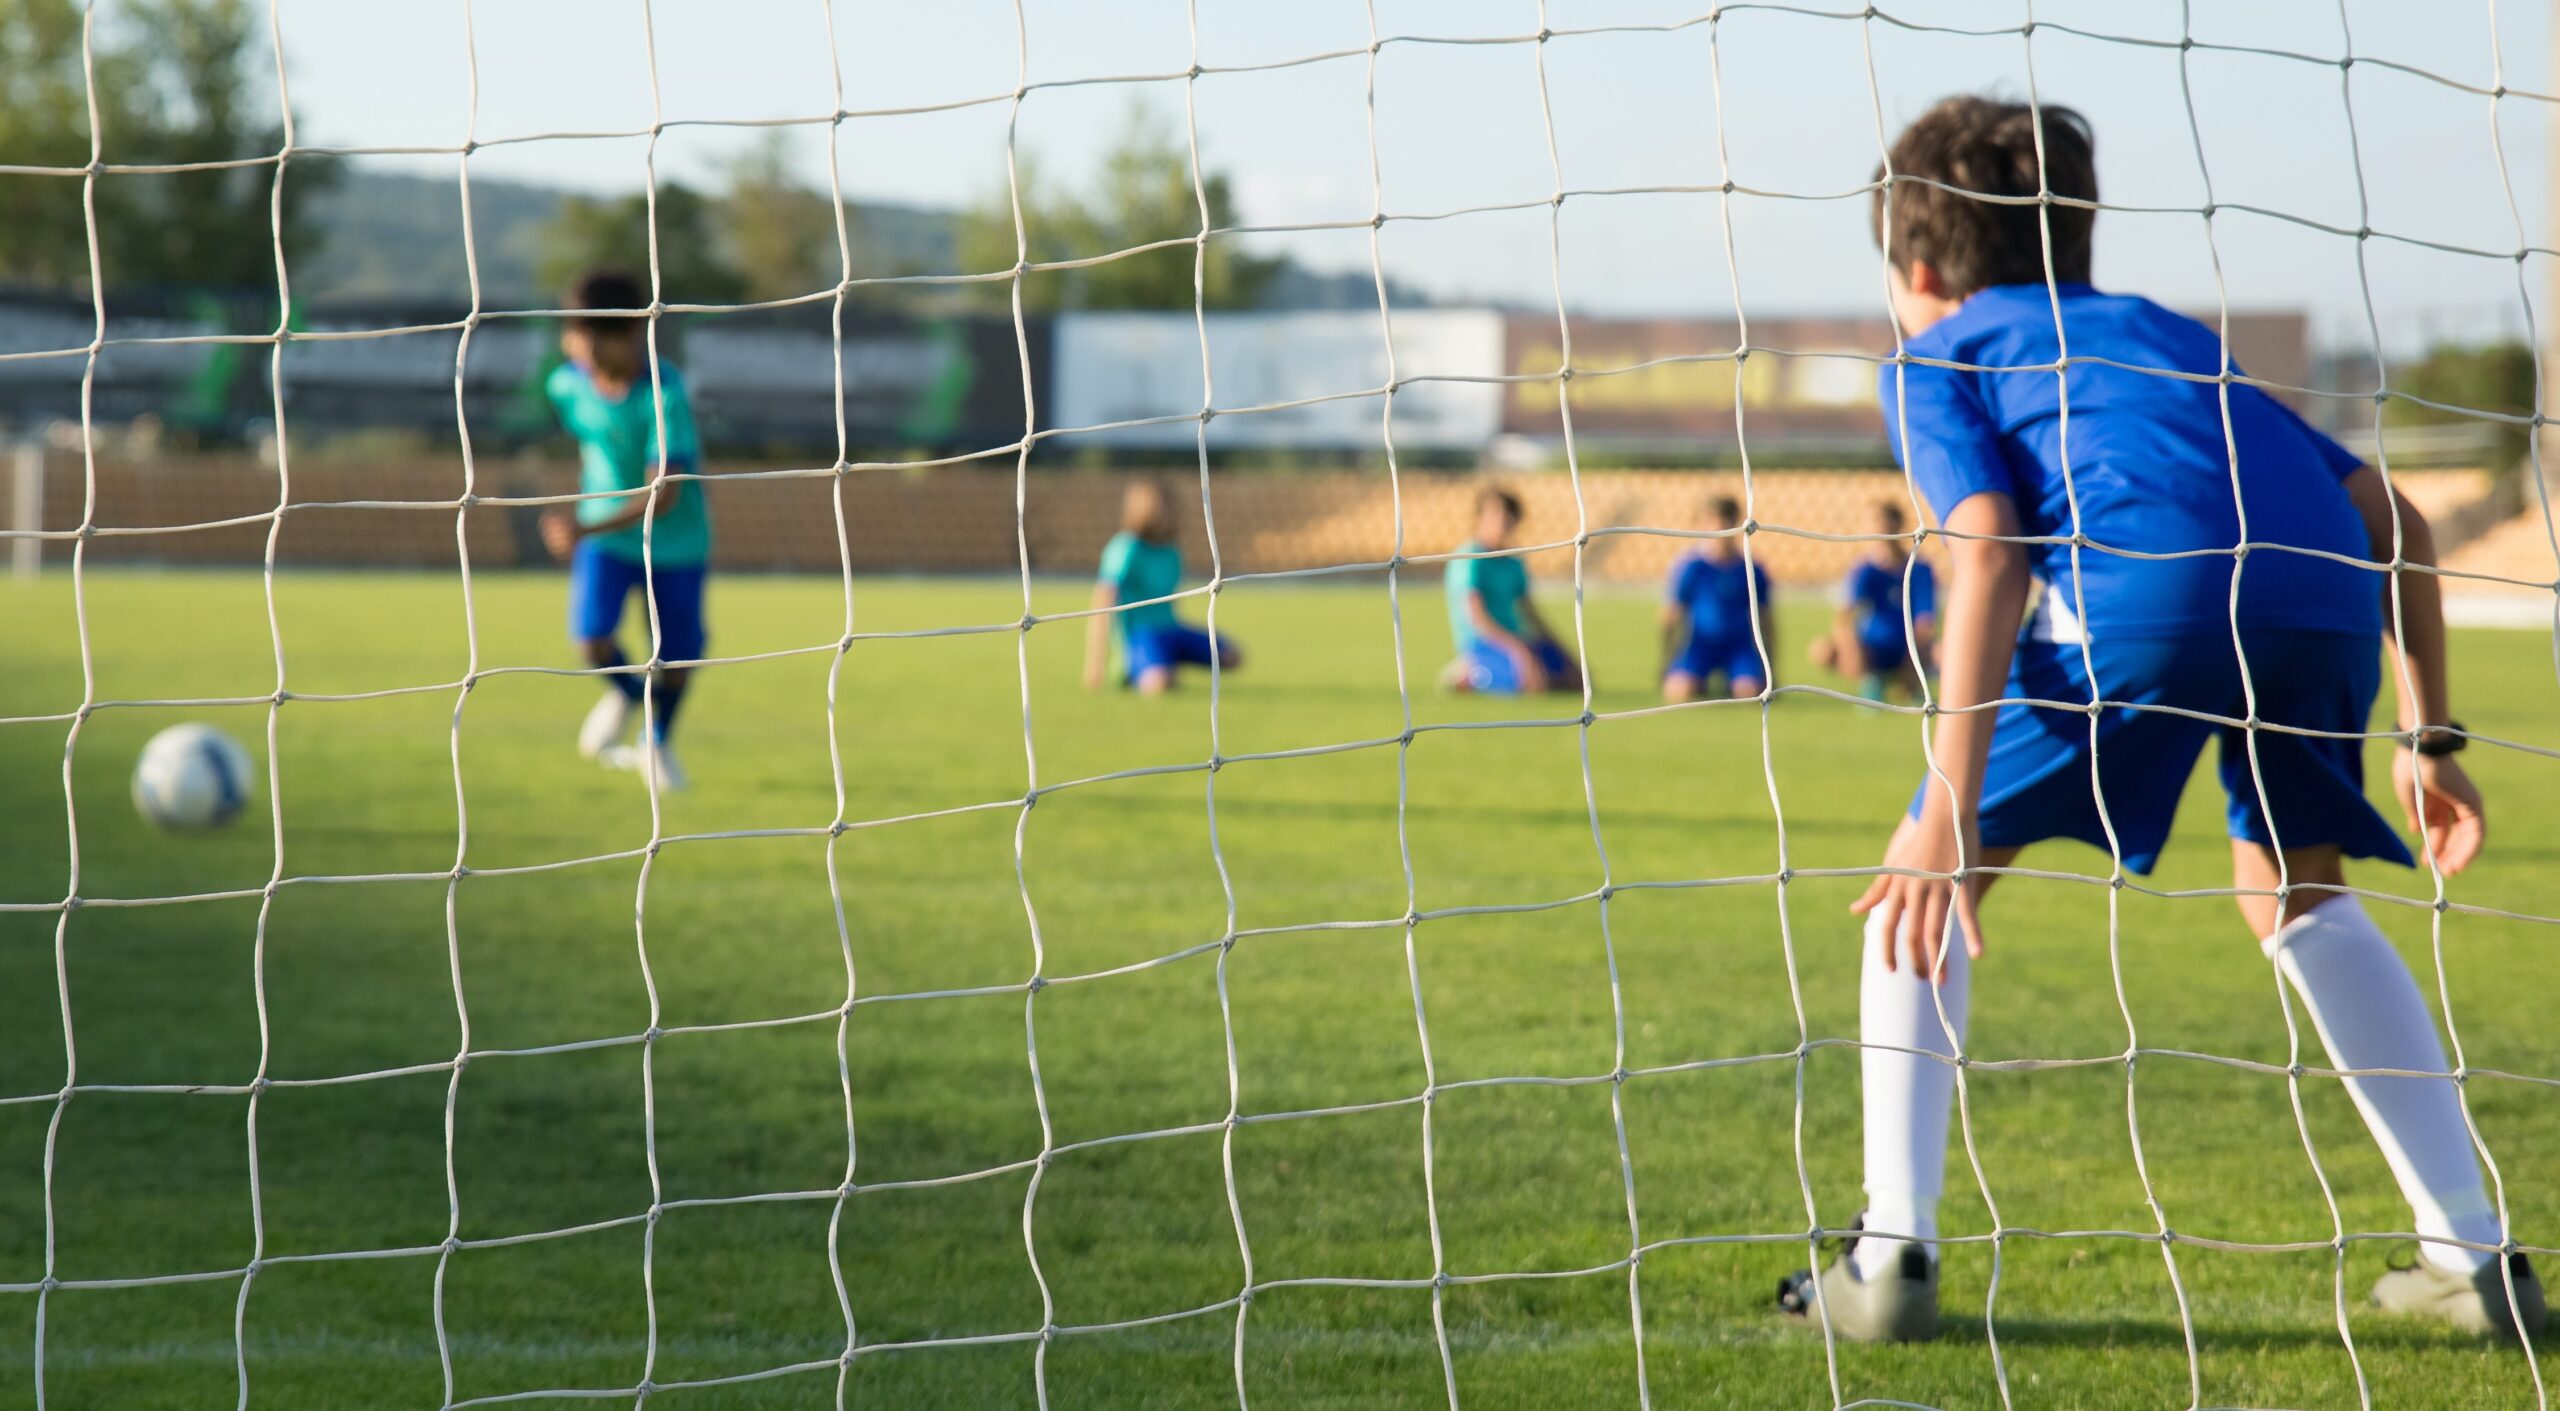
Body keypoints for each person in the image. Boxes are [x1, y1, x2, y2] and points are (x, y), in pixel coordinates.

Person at [1777, 96, 2537, 1343]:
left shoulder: (1937, 353)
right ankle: (2474, 1251)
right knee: (2300, 892)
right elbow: (2392, 515)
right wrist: (2430, 737)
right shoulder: (2169, 337)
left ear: (1913, 270)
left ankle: (1890, 1246)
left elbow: (1983, 546)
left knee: (1922, 876)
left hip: (2155, 595)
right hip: (2315, 592)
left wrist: (1943, 811)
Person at [539, 269, 708, 793]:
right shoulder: (566, 384)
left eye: (590, 339)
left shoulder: (663, 391)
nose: (578, 349)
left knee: (677, 659)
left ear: (629, 335)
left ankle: (654, 740)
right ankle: (630, 696)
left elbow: (667, 491)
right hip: (609, 540)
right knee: (591, 639)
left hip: (673, 541)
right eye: (573, 336)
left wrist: (585, 525)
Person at [1082, 480, 1241, 696]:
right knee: (1158, 685)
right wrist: (1095, 661)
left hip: (1172, 629)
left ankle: (1166, 660)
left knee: (1232, 657)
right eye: (1159, 507)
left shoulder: (1171, 550)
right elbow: (1102, 601)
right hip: (1140, 635)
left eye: (1169, 506)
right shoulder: (1126, 548)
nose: (1166, 513)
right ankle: (1129, 665)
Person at [1441, 486, 1581, 695]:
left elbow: (1530, 612)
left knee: (1576, 681)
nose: (1503, 520)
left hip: (1519, 640)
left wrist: (1562, 650)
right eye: (1495, 513)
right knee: (1530, 684)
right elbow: (1477, 616)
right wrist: (1517, 650)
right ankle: (1469, 672)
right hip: (1484, 643)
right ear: (1479, 517)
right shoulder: (1470, 559)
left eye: (1508, 515)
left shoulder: (1513, 562)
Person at [1807, 501, 1937, 702]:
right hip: (1872, 647)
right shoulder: (1863, 570)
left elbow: (1925, 622)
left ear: (1898, 525)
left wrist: (1912, 660)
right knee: (1822, 649)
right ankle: (1869, 680)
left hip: (1907, 647)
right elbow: (1844, 618)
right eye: (1874, 524)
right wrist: (1852, 649)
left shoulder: (1919, 569)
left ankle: (1913, 681)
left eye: (1883, 523)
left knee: (1945, 651)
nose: (1879, 530)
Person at [1660, 495, 1775, 704]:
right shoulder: (1691, 567)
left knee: (1749, 693)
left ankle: (1732, 682)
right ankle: (1700, 682)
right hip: (1699, 645)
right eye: (1711, 522)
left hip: (1739, 647)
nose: (1719, 528)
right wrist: (1667, 661)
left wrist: (1771, 666)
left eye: (1724, 521)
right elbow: (1672, 614)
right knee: (1679, 691)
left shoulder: (1751, 568)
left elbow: (1766, 617)